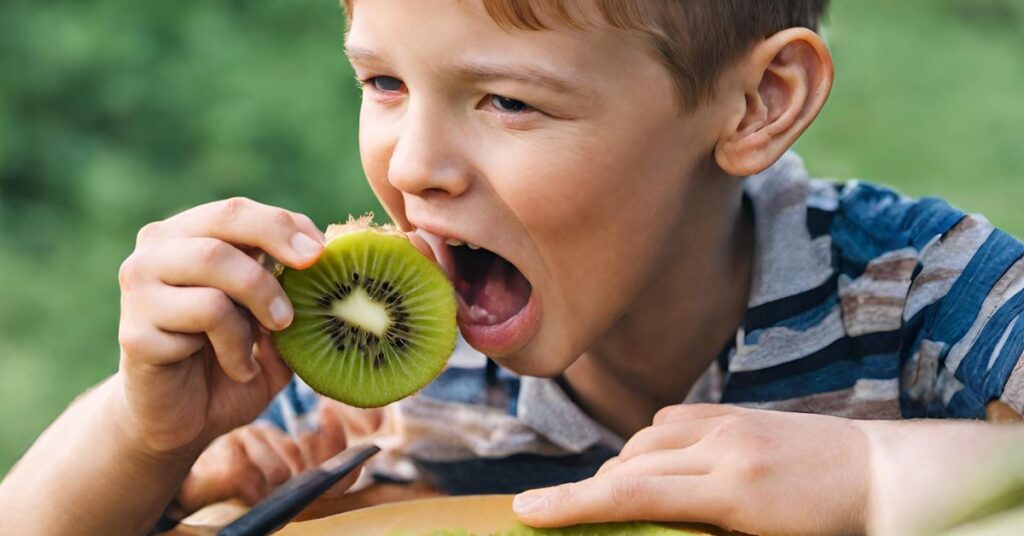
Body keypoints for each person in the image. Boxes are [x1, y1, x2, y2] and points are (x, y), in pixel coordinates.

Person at [5, 1, 1024, 534]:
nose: (412, 166)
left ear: (756, 102)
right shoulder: (396, 381)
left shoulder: (915, 291)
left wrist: (870, 475)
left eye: (507, 102)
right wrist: (142, 436)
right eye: (385, 80)